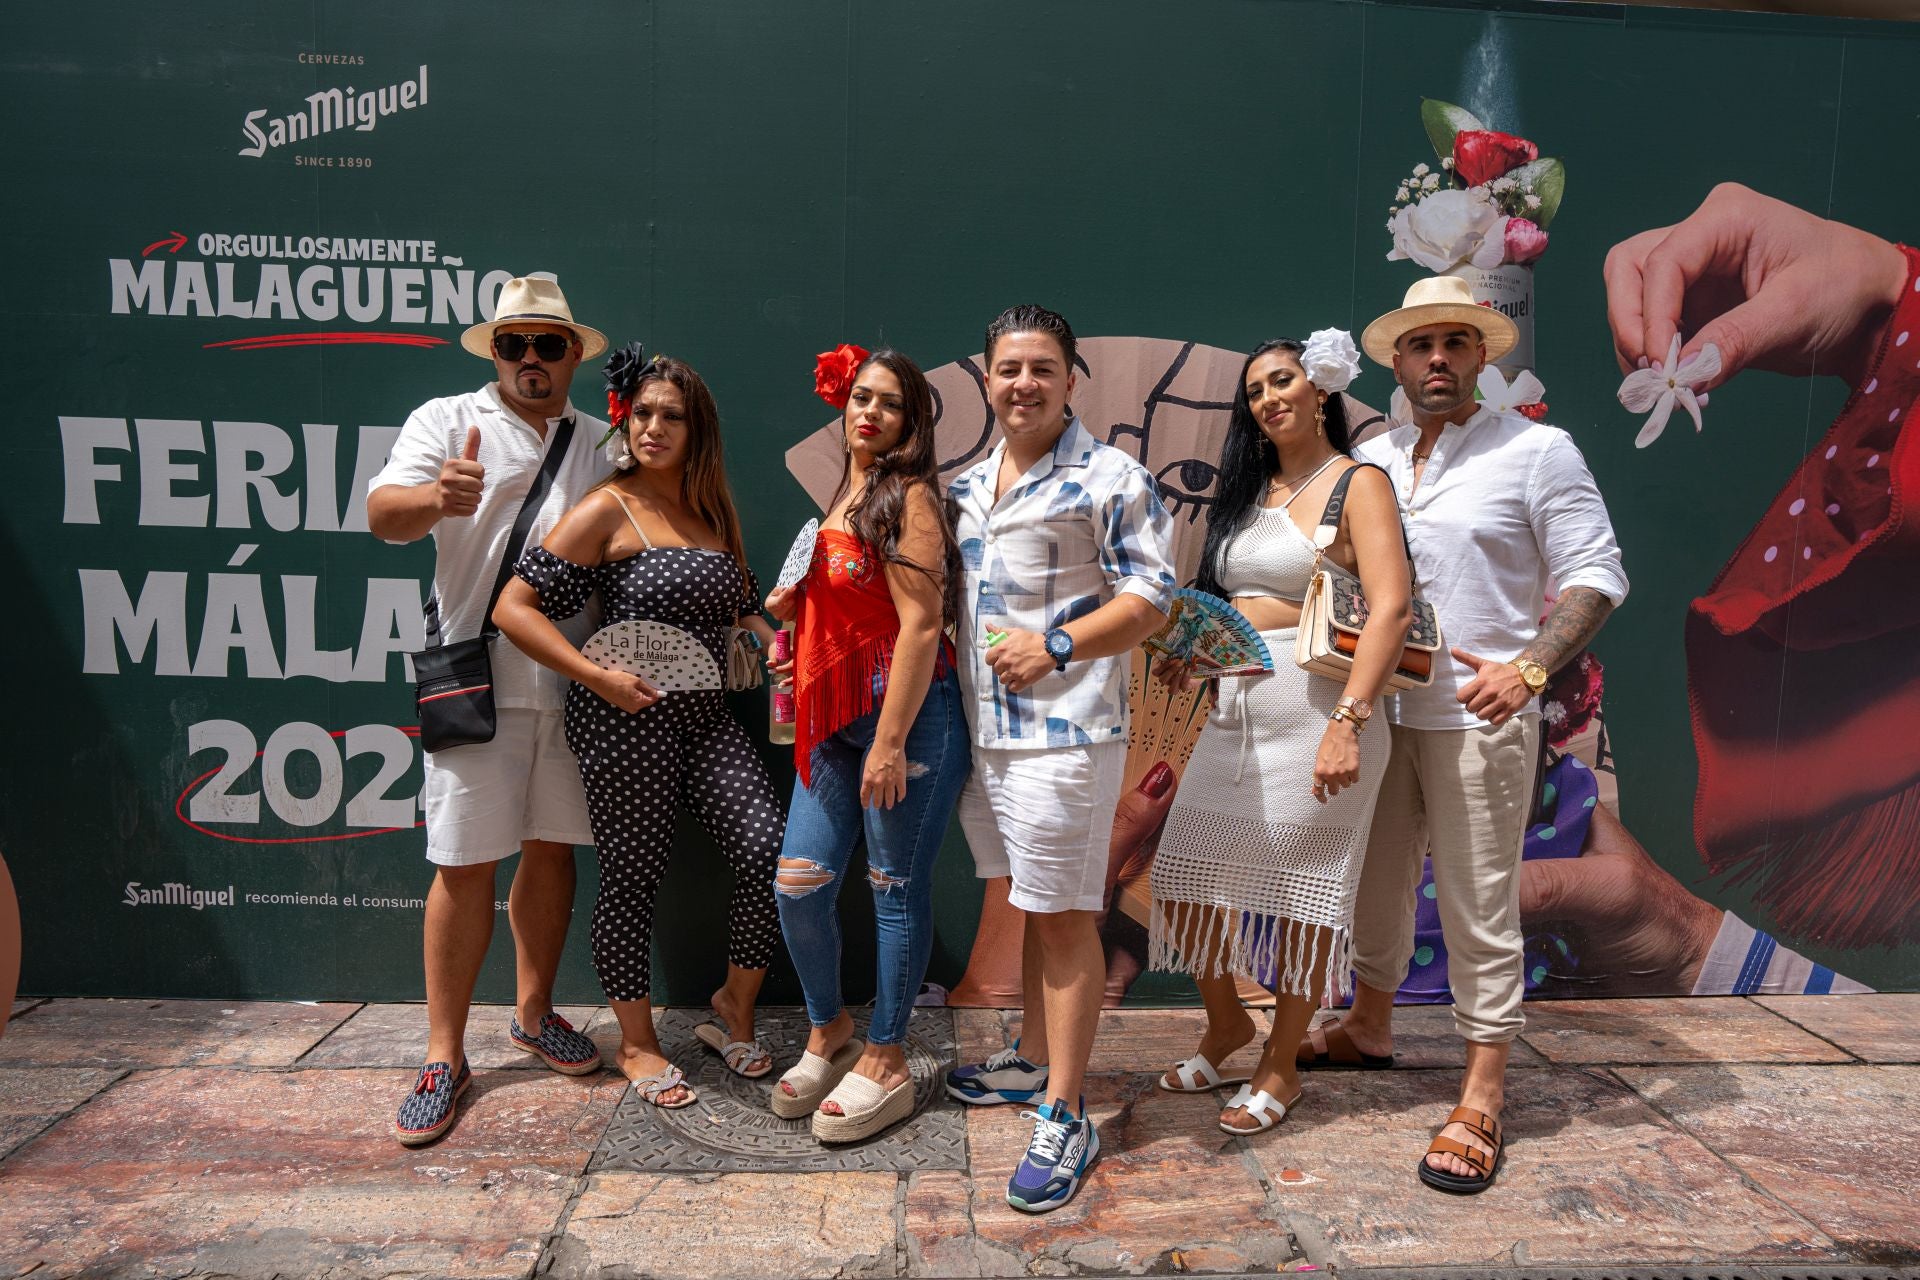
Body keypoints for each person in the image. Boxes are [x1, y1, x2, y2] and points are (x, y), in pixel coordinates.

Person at [1302, 275, 1628, 1194]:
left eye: (1455, 343)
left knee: (1479, 902)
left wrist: (1527, 670)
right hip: (1376, 706)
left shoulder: (1538, 450)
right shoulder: (1375, 450)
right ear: (1397, 362)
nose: (1437, 359)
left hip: (1477, 714)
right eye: (1419, 345)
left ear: (1483, 356)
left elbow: (1596, 575)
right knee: (1372, 883)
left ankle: (1483, 1091)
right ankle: (1370, 1023)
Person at [492, 347, 783, 1109]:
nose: (654, 427)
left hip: (707, 717)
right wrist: (594, 676)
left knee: (768, 852)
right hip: (626, 723)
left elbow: (742, 606)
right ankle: (639, 1044)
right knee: (631, 879)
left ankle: (733, 1007)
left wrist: (771, 636)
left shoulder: (712, 510)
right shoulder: (605, 507)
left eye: (672, 416)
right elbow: (512, 609)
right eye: (643, 412)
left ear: (698, 429)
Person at [940, 305, 1177, 1213]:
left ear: (1073, 378)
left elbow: (1153, 596)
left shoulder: (1109, 475)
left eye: (1042, 367)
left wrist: (1060, 644)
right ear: (987, 380)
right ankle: (1031, 1058)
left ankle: (1065, 1111)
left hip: (1065, 739)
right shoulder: (966, 486)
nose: (1023, 383)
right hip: (985, 739)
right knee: (1034, 905)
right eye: (1008, 368)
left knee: (1071, 916)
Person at [1146, 332, 1411, 1136]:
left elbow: (1390, 608)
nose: (1268, 398)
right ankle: (1227, 1025)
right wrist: (1195, 656)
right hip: (1235, 717)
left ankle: (1281, 1063)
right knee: (1181, 879)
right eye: (1256, 389)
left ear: (1321, 389)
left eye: (1283, 380)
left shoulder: (1358, 482)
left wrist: (1348, 723)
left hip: (1320, 718)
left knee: (1302, 899)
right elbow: (1233, 606)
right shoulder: (1246, 492)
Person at [368, 276, 612, 1146]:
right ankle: (443, 1056)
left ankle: (534, 1013)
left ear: (574, 352)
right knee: (463, 862)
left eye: (548, 344)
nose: (531, 360)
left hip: (575, 682)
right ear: (495, 352)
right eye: (515, 345)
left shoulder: (605, 440)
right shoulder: (445, 419)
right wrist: (439, 496)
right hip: (473, 674)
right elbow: (382, 516)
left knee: (550, 851)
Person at [759, 346, 971, 1143]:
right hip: (834, 719)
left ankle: (886, 1057)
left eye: (888, 403)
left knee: (893, 890)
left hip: (906, 726)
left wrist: (888, 745)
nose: (868, 413)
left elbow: (921, 625)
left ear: (912, 422)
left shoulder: (909, 495)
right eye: (858, 398)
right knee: (799, 884)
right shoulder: (845, 490)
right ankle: (829, 1030)